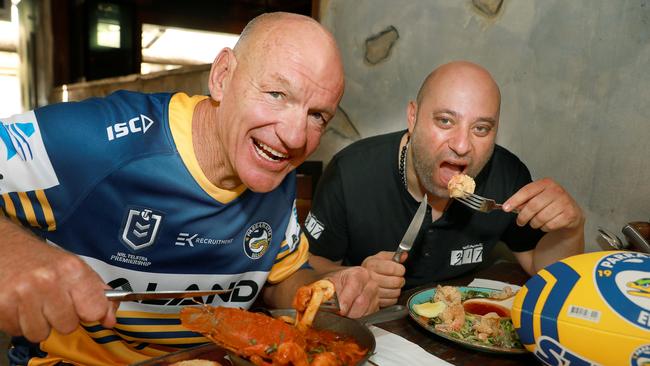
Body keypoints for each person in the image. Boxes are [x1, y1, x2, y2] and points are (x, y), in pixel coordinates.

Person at [0, 12, 379, 365]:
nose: (295, 137)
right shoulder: (96, 142)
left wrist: (326, 288)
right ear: (222, 76)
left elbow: (279, 282)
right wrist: (14, 252)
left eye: (317, 116)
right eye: (276, 95)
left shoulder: (272, 168)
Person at [304, 61, 585, 308]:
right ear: (413, 117)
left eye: (481, 129)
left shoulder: (507, 176)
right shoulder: (351, 172)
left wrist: (571, 230)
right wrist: (355, 278)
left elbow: (545, 271)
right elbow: (309, 263)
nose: (462, 146)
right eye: (445, 121)